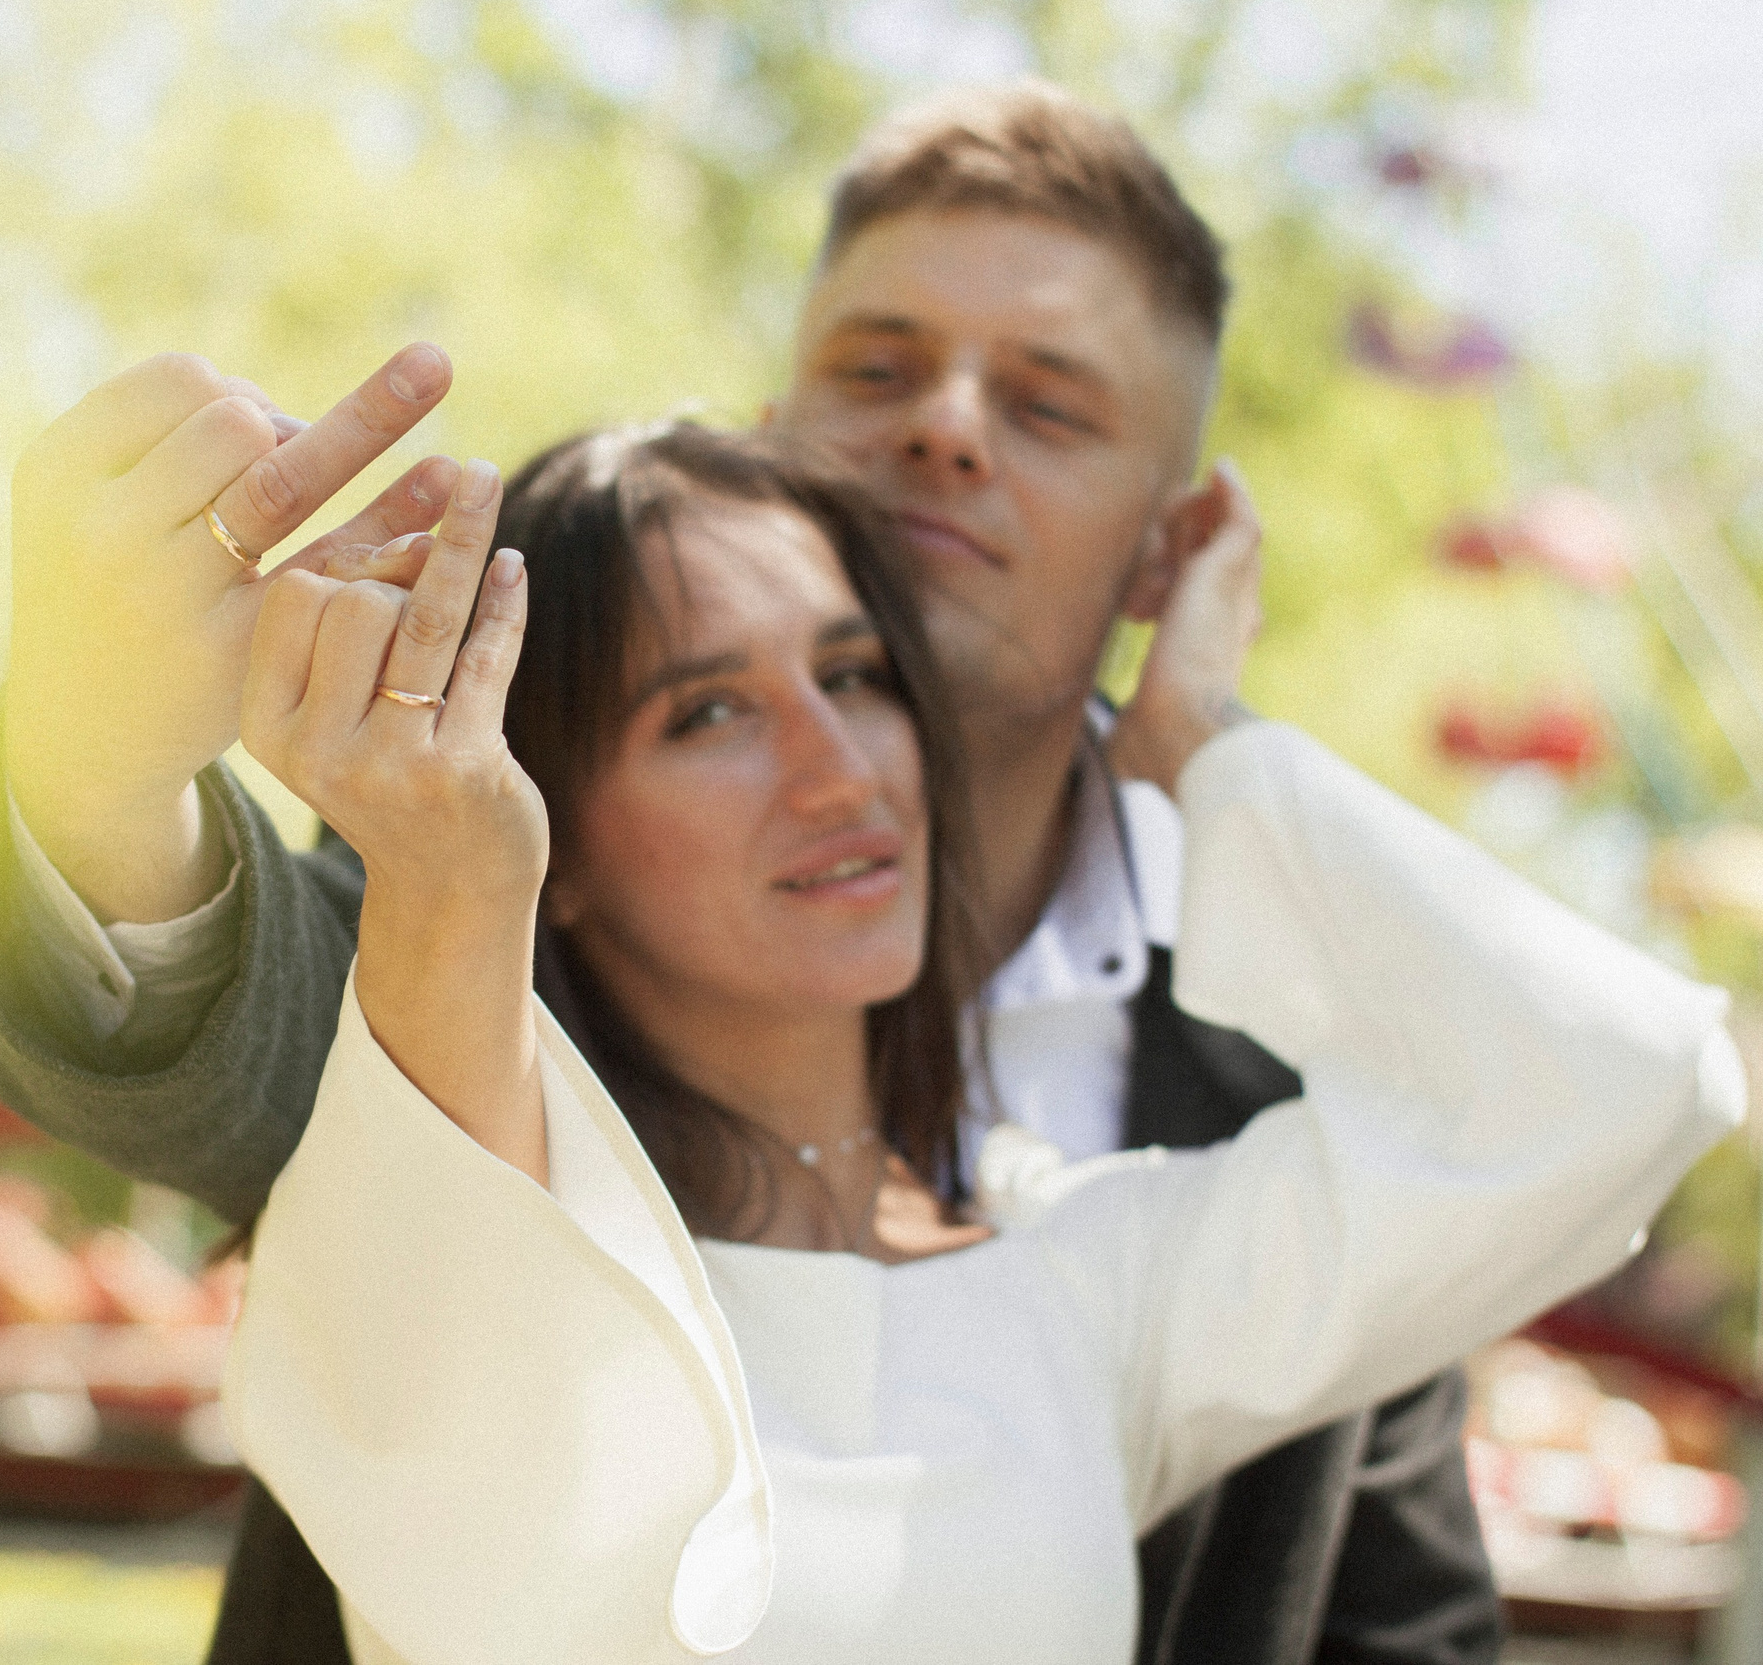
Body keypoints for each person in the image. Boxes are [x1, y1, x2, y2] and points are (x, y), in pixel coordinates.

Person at [0, 84, 1499, 1660]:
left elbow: (1404, 1637)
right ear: (777, 429)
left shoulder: (1290, 1099)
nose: (947, 424)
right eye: (880, 366)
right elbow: (237, 1034)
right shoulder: (488, 889)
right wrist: (98, 775)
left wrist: (1221, 776)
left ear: (1172, 549)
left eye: (1049, 404)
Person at [211, 417, 1740, 1663]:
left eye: (856, 676)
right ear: (567, 844)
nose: (835, 770)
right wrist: (452, 884)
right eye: (708, 717)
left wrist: (1194, 731)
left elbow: (1623, 1087)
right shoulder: (461, 1259)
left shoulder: (1088, 1285)